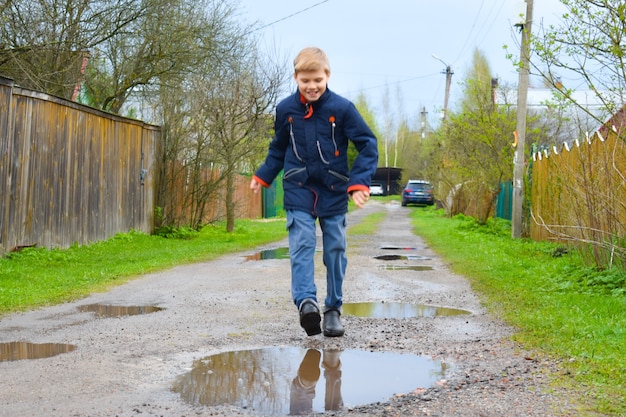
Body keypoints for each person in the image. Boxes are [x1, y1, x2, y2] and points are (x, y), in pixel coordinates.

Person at [250, 47, 378, 337]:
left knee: (335, 249)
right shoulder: (286, 110)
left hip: (333, 189)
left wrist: (359, 182)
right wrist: (263, 174)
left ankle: (332, 309)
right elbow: (278, 148)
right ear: (295, 77)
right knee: (302, 244)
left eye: (317, 79)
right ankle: (307, 303)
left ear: (328, 76)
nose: (312, 86)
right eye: (305, 80)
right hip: (298, 187)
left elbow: (368, 144)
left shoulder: (342, 109)